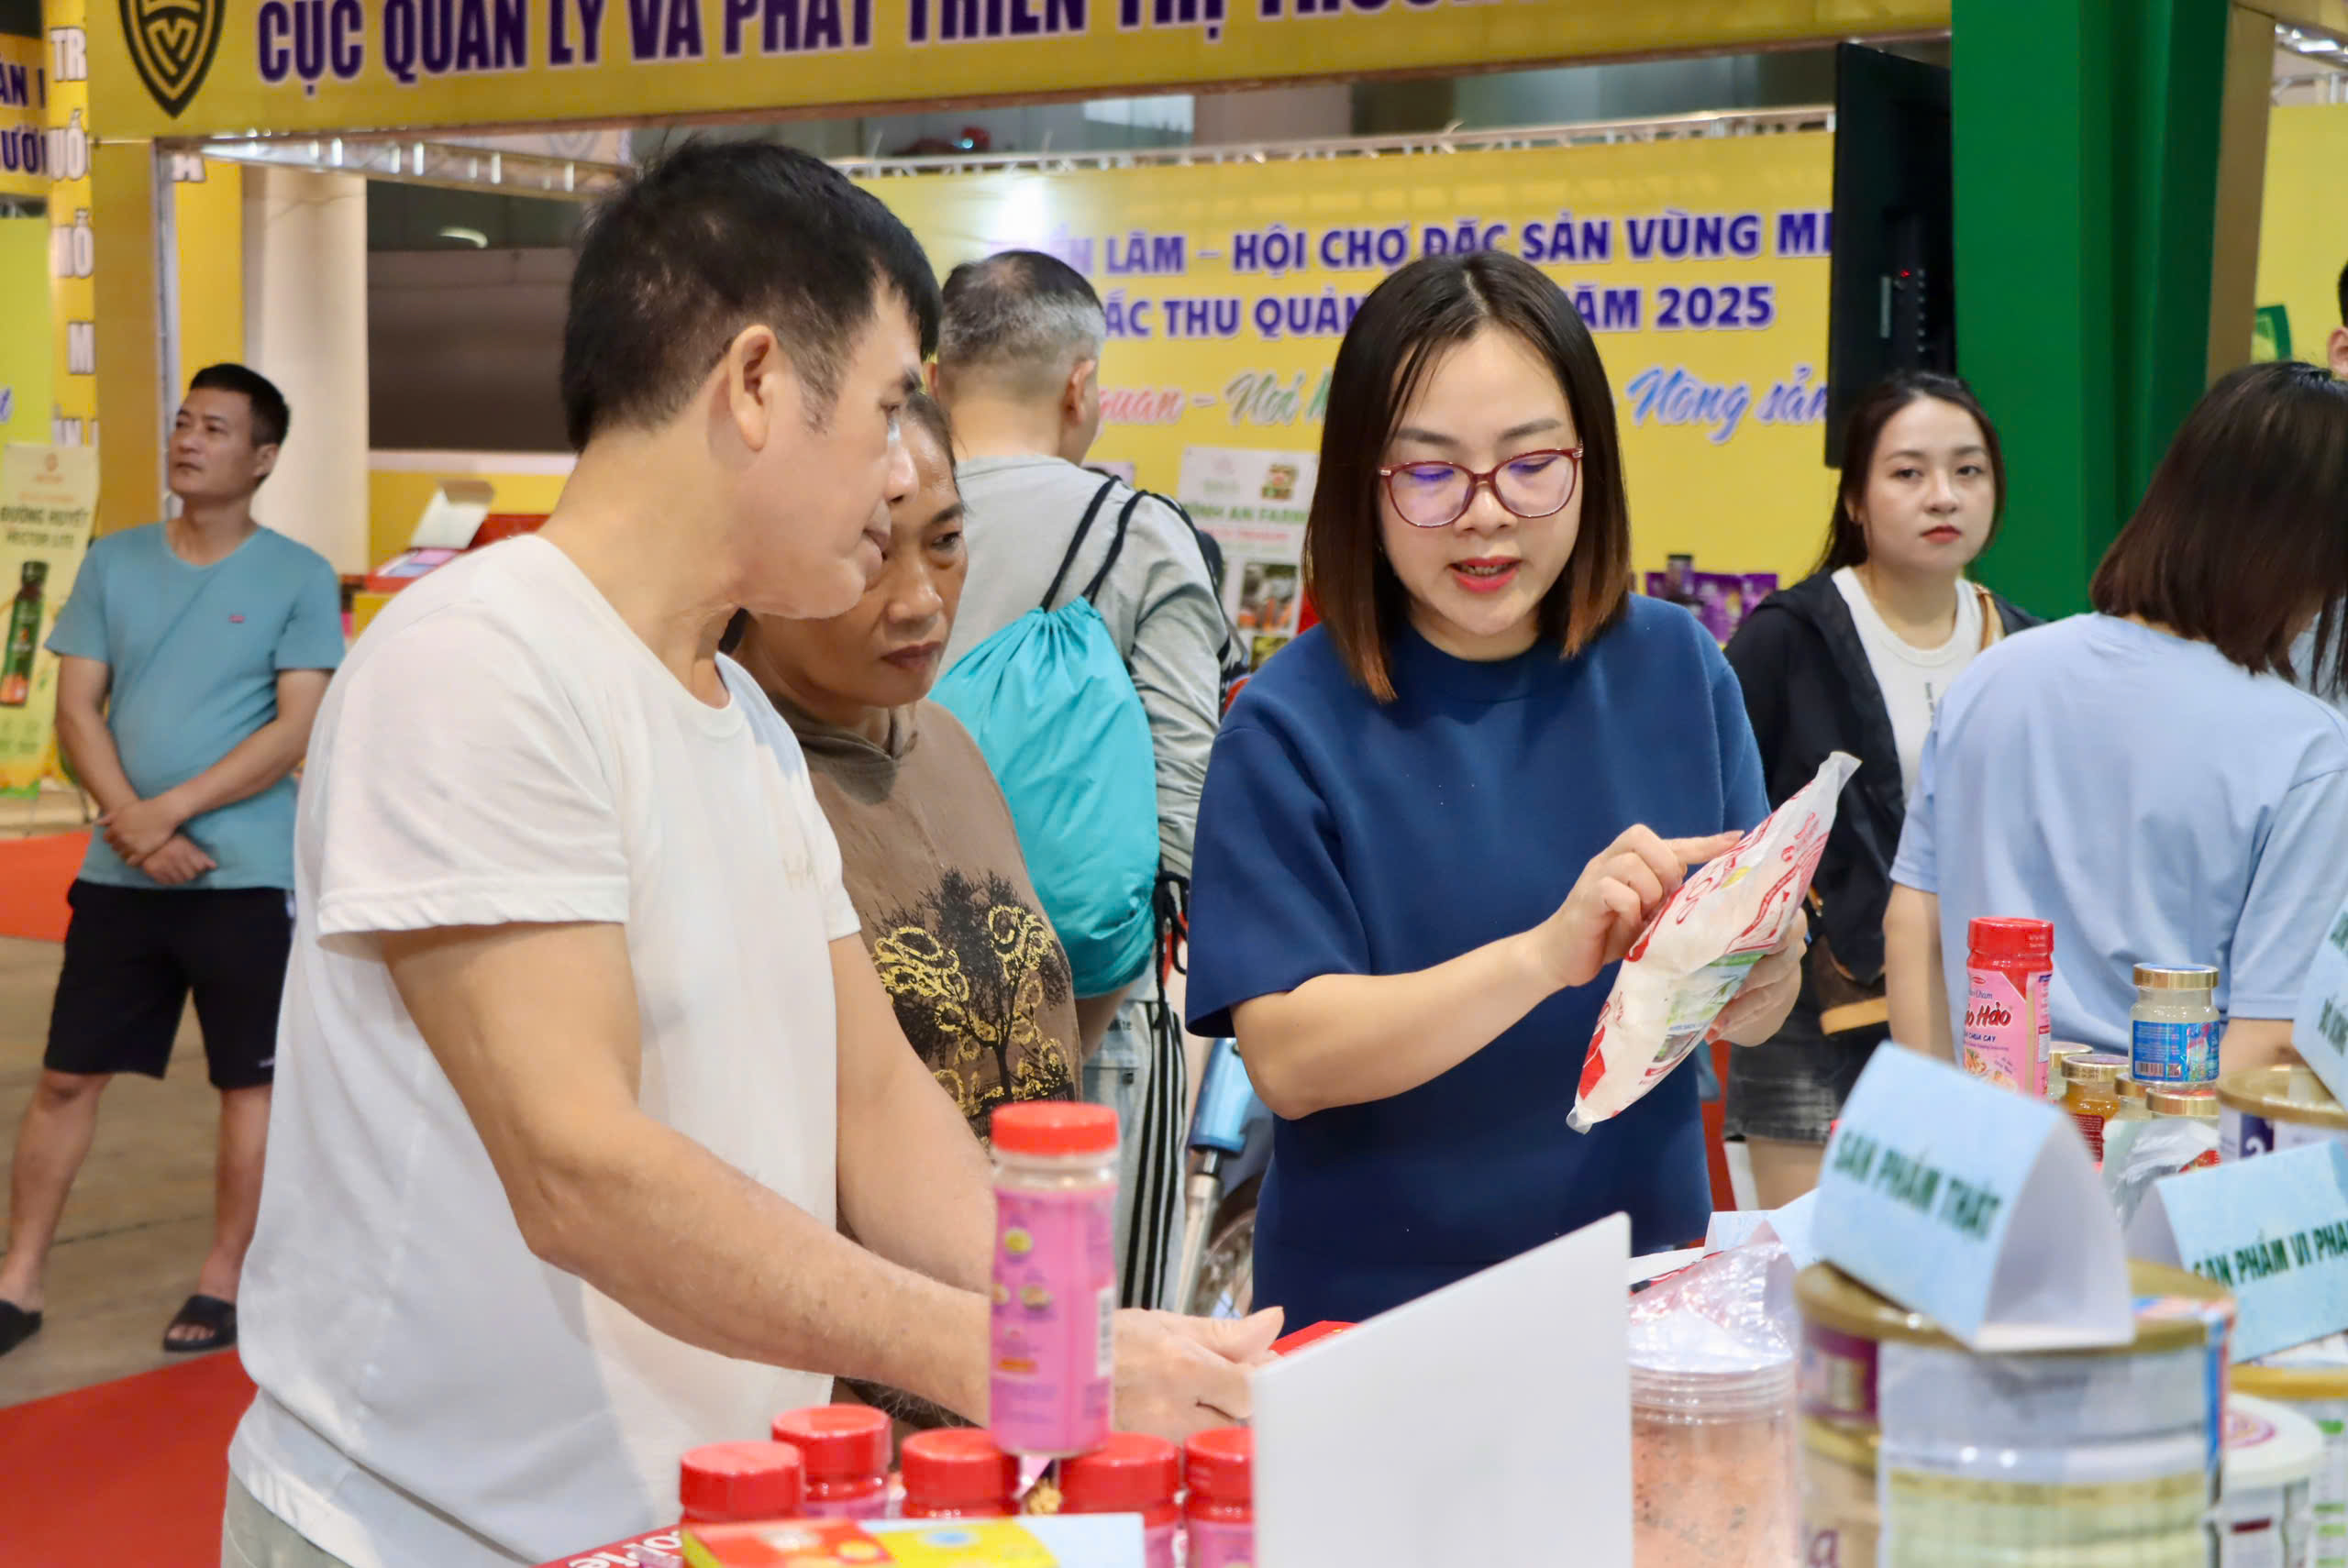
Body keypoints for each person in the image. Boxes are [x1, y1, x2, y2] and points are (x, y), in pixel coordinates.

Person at [223, 144, 1274, 1568]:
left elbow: (874, 1099)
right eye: (892, 407)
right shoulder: (478, 663)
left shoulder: (746, 721)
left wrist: (1084, 1329)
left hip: (700, 1516)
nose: (901, 471)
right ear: (760, 383)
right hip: (426, 1531)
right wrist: (1013, 1357)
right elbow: (580, 1167)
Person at [1182, 252, 1805, 1329]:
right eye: (1430, 474)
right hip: (1378, 1327)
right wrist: (1542, 957)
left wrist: (1766, 974)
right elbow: (1289, 1057)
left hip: (1644, 1299)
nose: (1485, 513)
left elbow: (1753, 997)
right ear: (1362, 484)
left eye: (1530, 465)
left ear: (1588, 463)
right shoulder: (1285, 724)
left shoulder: (1679, 669)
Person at [0, 365, 342, 1364]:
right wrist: (132, 824)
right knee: (67, 1077)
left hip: (246, 878)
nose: (189, 440)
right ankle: (18, 1277)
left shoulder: (297, 575)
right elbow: (77, 709)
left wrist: (168, 813)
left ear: (263, 457)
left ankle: (224, 1278)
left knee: (249, 1085)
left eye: (216, 429)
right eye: (184, 421)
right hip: (121, 876)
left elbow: (296, 728)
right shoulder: (113, 561)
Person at [1886, 360, 2348, 1073]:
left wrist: (1947, 1116)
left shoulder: (1993, 675)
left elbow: (1915, 922)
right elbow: (2271, 1038)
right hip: (2171, 1134)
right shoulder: (2306, 748)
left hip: (1981, 1125)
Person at [933, 250, 1242, 1312]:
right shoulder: (1137, 536)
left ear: (933, 380)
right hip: (1091, 1026)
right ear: (1079, 386)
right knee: (1088, 1354)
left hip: (880, 1030)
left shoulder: (870, 520)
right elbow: (1184, 808)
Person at [1722, 372, 2039, 1207]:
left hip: (1982, 1005)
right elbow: (1724, 815)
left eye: (1968, 470)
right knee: (1810, 1260)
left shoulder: (2024, 646)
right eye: (1908, 472)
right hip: (1812, 1011)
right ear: (1856, 500)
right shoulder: (1787, 638)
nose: (1944, 495)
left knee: (1956, 1253)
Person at [728, 390, 1081, 1140]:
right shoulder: (729, 774)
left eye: (946, 540)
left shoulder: (948, 741)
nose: (920, 602)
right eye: (872, 552)